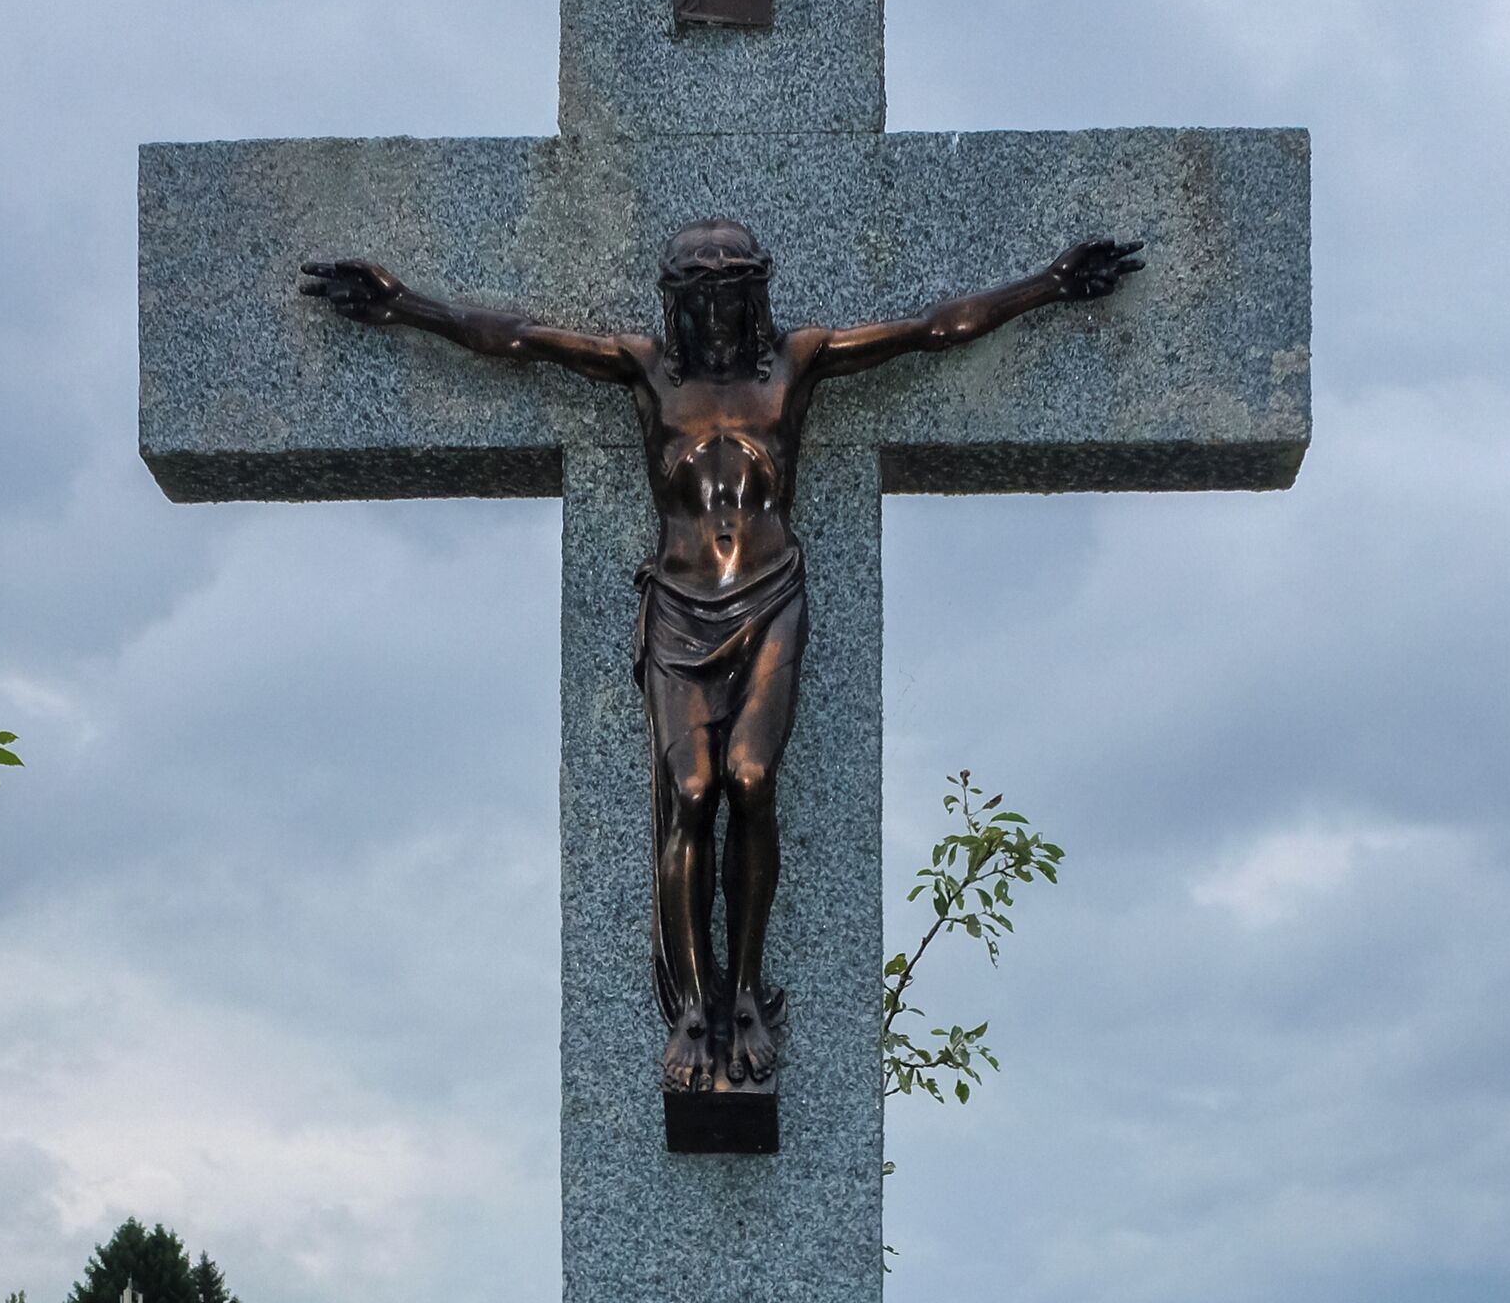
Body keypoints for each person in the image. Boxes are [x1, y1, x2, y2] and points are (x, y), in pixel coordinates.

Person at [302, 219, 1141, 1097]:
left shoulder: (796, 364)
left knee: (750, 780)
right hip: (679, 610)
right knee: (692, 796)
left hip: (770, 596)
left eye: (728, 299)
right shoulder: (646, 371)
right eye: (696, 302)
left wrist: (1049, 283)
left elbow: (931, 329)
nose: (713, 318)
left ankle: (743, 993)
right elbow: (515, 339)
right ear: (675, 305)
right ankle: (694, 1008)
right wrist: (403, 306)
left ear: (753, 296)